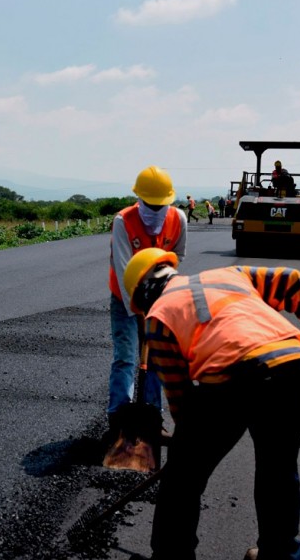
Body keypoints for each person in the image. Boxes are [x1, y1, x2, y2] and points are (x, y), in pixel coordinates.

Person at [123, 248, 300, 560]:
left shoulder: (158, 318)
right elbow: (292, 280)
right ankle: (279, 555)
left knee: (182, 481)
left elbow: (181, 398)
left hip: (233, 379)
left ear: (143, 295)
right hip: (290, 367)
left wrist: (188, 449)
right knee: (278, 473)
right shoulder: (228, 274)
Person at [107, 167, 187, 438]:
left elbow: (178, 256)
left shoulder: (179, 218)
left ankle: (153, 419)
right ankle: (118, 417)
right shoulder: (123, 221)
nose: (155, 210)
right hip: (124, 298)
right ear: (139, 199)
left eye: (160, 205)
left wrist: (163, 296)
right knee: (127, 358)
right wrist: (137, 309)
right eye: (150, 205)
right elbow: (122, 268)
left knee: (155, 359)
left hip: (161, 300)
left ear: (169, 201)